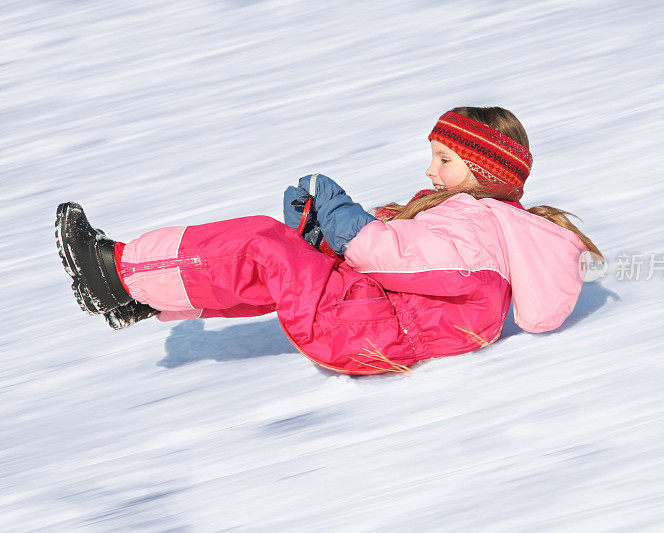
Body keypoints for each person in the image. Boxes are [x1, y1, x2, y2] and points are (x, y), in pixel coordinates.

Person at [55, 106, 603, 375]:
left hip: (375, 330)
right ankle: (139, 294)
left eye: (445, 160)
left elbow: (401, 260)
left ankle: (118, 271)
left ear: (486, 172)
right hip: (380, 319)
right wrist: (324, 234)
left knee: (260, 242)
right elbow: (406, 257)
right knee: (278, 256)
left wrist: (345, 222)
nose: (430, 170)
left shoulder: (480, 224)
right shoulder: (473, 219)